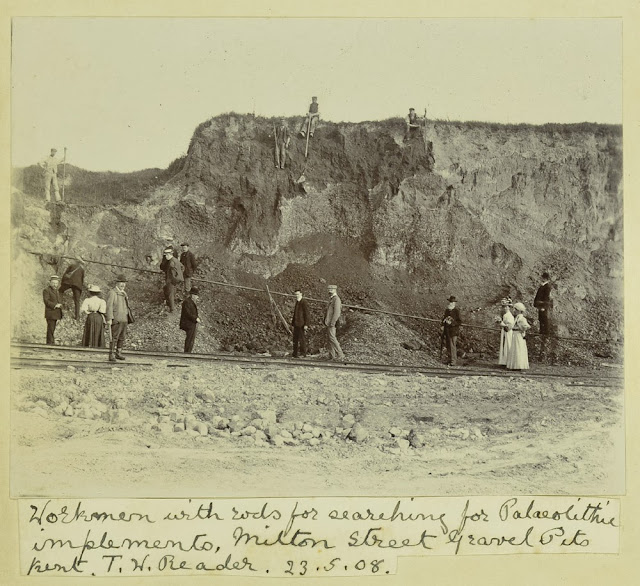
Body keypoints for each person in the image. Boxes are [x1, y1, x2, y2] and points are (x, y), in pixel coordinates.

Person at [106, 274, 132, 362]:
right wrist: (109, 318)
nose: (123, 284)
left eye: (124, 283)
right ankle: (111, 354)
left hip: (124, 319)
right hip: (116, 319)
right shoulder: (112, 292)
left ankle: (118, 353)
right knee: (114, 337)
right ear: (117, 283)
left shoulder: (124, 293)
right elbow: (109, 306)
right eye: (121, 282)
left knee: (122, 337)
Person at [533, 271, 557, 363]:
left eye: (542, 277)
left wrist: (543, 306)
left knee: (544, 325)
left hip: (543, 310)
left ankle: (544, 349)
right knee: (542, 323)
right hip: (541, 309)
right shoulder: (543, 286)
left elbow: (546, 299)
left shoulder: (547, 287)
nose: (541, 279)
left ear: (545, 278)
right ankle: (543, 336)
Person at [506, 302, 531, 371]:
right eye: (514, 309)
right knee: (515, 348)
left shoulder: (521, 318)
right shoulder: (517, 317)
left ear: (519, 310)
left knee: (518, 348)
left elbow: (527, 326)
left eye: (516, 310)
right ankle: (515, 365)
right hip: (515, 334)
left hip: (518, 335)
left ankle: (519, 365)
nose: (514, 311)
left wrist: (521, 328)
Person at [324, 284, 344, 361]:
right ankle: (332, 355)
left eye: (331, 290)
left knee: (332, 338)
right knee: (330, 338)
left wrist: (333, 322)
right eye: (329, 290)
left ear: (335, 290)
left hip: (332, 323)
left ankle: (340, 354)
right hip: (328, 322)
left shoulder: (336, 299)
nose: (330, 291)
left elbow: (337, 313)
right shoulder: (331, 299)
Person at [160, 247, 184, 312]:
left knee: (170, 294)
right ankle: (170, 304)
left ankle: (172, 309)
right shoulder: (176, 260)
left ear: (169, 255)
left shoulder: (171, 262)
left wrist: (172, 280)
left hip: (171, 281)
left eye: (166, 255)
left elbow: (172, 273)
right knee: (170, 291)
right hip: (177, 280)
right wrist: (179, 275)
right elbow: (182, 267)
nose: (165, 257)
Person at [179, 286, 201, 353]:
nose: (197, 297)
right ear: (193, 295)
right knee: (190, 339)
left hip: (191, 323)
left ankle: (188, 352)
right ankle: (187, 352)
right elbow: (188, 313)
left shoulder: (190, 301)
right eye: (196, 295)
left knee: (191, 339)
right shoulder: (187, 302)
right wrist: (195, 318)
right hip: (189, 323)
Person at [442, 295, 461, 366]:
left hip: (454, 331)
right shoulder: (447, 310)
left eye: (452, 302)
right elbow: (444, 318)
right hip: (447, 330)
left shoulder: (456, 311)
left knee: (452, 345)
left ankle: (453, 361)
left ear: (454, 303)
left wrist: (452, 323)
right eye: (450, 302)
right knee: (448, 345)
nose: (451, 303)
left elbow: (459, 322)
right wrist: (442, 325)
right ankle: (449, 359)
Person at [43, 275, 63, 345]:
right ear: (50, 283)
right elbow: (46, 301)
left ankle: (51, 342)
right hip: (50, 313)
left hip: (56, 313)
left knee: (52, 328)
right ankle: (50, 343)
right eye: (53, 283)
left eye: (56, 283)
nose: (55, 285)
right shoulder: (46, 290)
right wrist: (55, 305)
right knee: (50, 328)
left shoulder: (57, 291)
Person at [291, 289, 310, 358]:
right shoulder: (297, 302)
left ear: (301, 294)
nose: (296, 296)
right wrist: (293, 323)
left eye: (298, 294)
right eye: (295, 295)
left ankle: (303, 354)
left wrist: (306, 324)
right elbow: (295, 314)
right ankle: (295, 354)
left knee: (302, 339)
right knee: (295, 339)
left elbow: (307, 314)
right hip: (296, 324)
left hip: (301, 324)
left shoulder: (304, 302)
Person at [497, 297, 515, 367]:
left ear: (509, 307)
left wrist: (501, 323)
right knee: (504, 345)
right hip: (504, 332)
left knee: (508, 345)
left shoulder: (509, 316)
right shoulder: (505, 315)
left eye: (506, 307)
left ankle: (508, 361)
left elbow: (509, 327)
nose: (504, 308)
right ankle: (504, 361)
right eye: (503, 307)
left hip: (508, 333)